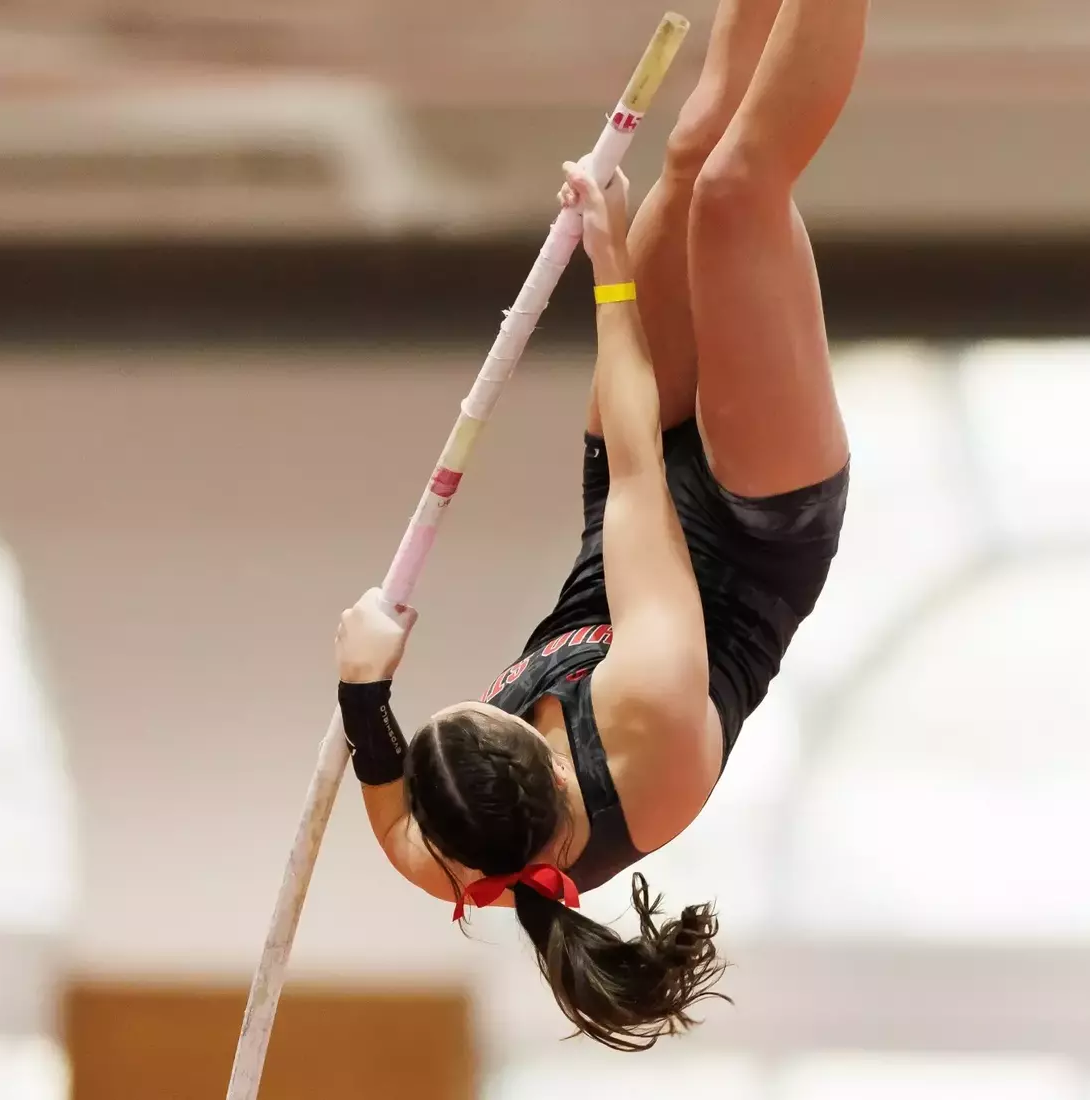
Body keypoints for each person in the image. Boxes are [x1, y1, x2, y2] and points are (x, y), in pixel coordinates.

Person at [334, 0, 867, 1051]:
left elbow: (392, 808)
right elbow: (638, 475)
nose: (498, 697)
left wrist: (364, 687)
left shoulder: (446, 850)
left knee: (692, 146)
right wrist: (609, 262)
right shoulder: (646, 718)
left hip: (626, 513)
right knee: (734, 191)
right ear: (545, 774)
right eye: (494, 715)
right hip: (752, 530)